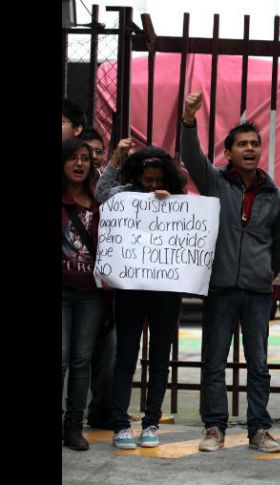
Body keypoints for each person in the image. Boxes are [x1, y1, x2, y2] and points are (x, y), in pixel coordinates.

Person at [181, 92, 280, 453]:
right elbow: (191, 158)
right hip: (220, 287)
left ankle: (259, 429)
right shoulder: (215, 182)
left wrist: (265, 271)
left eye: (254, 144)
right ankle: (214, 428)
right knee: (214, 360)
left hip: (258, 292)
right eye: (241, 144)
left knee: (258, 364)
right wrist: (188, 119)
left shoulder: (273, 195)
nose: (249, 149)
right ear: (228, 152)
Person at [95, 139, 187, 449]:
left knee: (160, 359)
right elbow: (99, 195)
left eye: (159, 180)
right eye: (147, 180)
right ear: (136, 176)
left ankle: (151, 423)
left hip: (165, 291)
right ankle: (121, 425)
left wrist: (169, 202)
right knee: (126, 357)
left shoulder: (177, 199)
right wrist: (116, 159)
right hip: (132, 290)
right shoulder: (124, 196)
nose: (153, 185)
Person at [62, 138, 104, 450]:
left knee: (81, 361)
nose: (79, 164)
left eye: (85, 159)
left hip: (91, 294)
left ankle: (74, 426)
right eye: (73, 158)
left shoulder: (101, 202)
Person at [79, 126, 117, 430]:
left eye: (97, 151)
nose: (92, 158)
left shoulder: (112, 187)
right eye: (86, 151)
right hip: (74, 284)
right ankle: (73, 418)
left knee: (108, 354)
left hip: (105, 288)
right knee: (75, 357)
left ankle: (101, 412)